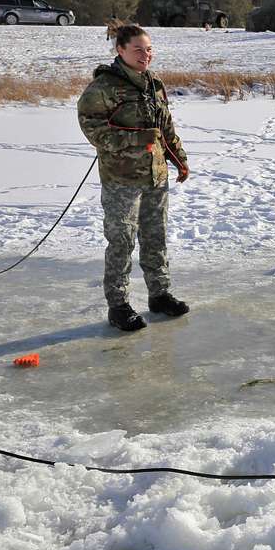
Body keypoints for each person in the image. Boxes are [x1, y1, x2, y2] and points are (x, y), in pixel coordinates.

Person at [77, 23, 191, 332]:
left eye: (149, 49)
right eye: (138, 50)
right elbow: (93, 129)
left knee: (156, 237)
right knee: (122, 240)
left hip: (154, 176)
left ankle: (160, 294)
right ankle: (118, 305)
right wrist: (135, 140)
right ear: (121, 50)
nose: (146, 56)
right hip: (121, 179)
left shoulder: (154, 84)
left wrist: (179, 159)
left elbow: (165, 127)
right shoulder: (103, 87)